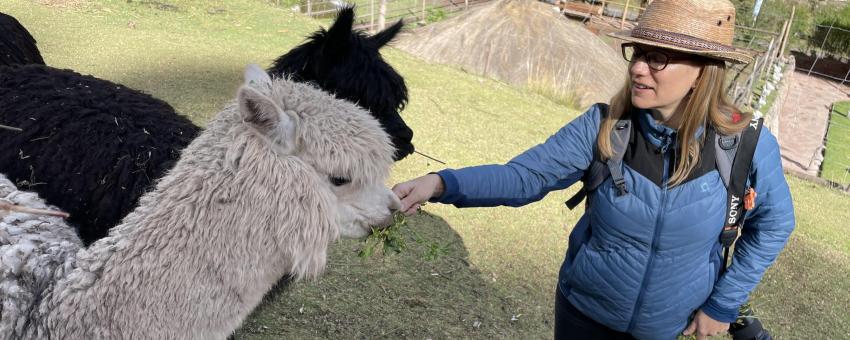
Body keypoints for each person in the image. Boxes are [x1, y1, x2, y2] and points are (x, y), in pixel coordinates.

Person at [391, 0, 795, 339]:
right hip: (583, 317)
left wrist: (723, 303)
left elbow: (775, 224)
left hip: (671, 327)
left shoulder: (745, 143)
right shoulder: (604, 127)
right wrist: (441, 183)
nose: (637, 68)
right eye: (637, 53)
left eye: (656, 58)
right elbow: (524, 177)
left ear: (701, 71)